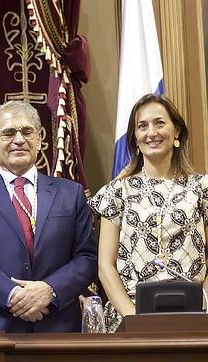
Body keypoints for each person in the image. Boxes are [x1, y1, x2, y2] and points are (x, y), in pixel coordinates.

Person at [0, 100, 97, 332]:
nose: (19, 140)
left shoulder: (71, 193)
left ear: (40, 138)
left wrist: (49, 290)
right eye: (8, 132)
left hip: (59, 326)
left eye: (27, 131)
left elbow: (87, 258)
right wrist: (13, 295)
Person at [89, 93, 208, 332]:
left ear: (176, 132)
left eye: (159, 123)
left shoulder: (202, 188)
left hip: (195, 316)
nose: (151, 132)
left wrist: (202, 305)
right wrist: (133, 318)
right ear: (135, 137)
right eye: (142, 126)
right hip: (131, 316)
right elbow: (105, 266)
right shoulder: (116, 191)